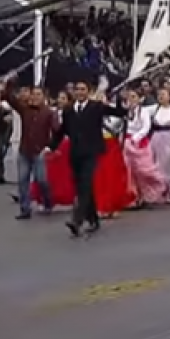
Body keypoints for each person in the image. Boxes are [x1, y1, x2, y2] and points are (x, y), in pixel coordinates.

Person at [46, 79, 128, 237]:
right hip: (75, 154)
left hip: (92, 152)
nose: (79, 92)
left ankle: (77, 220)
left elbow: (120, 112)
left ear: (88, 92)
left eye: (83, 89)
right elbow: (62, 131)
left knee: (85, 185)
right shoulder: (69, 110)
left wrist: (120, 100)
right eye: (77, 89)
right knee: (82, 187)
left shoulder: (96, 107)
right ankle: (93, 219)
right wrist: (51, 147)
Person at [4, 83, 59, 220]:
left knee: (41, 180)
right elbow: (11, 99)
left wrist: (51, 147)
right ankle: (25, 209)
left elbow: (57, 130)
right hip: (24, 151)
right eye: (33, 94)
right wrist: (9, 84)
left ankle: (47, 201)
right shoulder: (25, 109)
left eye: (38, 95)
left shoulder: (49, 113)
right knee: (23, 180)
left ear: (44, 97)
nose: (35, 97)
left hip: (39, 152)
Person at [123, 88, 169, 207]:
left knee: (144, 170)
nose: (130, 100)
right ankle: (134, 197)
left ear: (140, 99)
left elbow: (146, 127)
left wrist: (136, 138)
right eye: (129, 97)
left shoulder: (143, 111)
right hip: (126, 143)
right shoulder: (126, 111)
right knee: (129, 171)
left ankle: (158, 188)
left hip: (139, 144)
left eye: (133, 97)